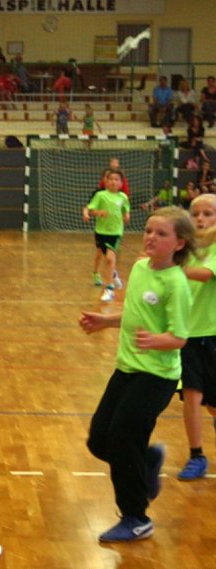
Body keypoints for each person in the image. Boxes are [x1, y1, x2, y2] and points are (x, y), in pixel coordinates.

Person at [79, 206, 194, 542]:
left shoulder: (177, 283)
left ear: (178, 244)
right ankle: (148, 459)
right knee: (99, 439)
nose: (150, 238)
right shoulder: (142, 267)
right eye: (148, 231)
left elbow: (180, 337)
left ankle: (136, 517)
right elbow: (134, 312)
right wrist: (106, 320)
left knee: (123, 437)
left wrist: (157, 340)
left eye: (161, 234)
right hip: (127, 368)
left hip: (157, 377)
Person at [175, 194, 216, 480]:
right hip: (187, 336)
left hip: (213, 335)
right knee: (192, 395)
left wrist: (170, 266)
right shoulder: (185, 251)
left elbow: (203, 274)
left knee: (212, 402)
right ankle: (196, 455)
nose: (200, 219)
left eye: (208, 214)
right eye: (195, 213)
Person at [87, 170, 130, 301]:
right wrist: (99, 212)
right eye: (111, 179)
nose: (113, 181)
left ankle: (109, 288)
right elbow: (91, 210)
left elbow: (125, 210)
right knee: (102, 255)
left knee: (110, 259)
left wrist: (127, 215)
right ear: (106, 181)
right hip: (101, 231)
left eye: (116, 179)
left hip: (116, 232)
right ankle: (107, 274)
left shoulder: (123, 197)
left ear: (121, 183)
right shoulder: (100, 195)